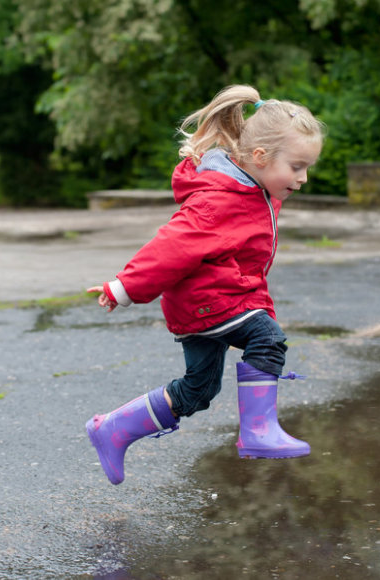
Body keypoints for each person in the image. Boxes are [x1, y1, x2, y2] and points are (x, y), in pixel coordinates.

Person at [85, 85, 325, 485]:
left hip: (212, 305)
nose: (302, 178)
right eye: (297, 166)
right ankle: (258, 432)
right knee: (267, 338)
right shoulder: (219, 200)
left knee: (198, 392)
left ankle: (111, 429)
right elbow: (171, 246)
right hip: (209, 303)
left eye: (307, 168)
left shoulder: (254, 189)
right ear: (261, 157)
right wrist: (124, 287)